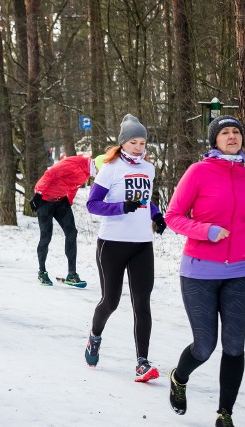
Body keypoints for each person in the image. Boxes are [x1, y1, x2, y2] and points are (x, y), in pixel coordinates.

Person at [164, 116, 245, 426]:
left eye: (236, 131)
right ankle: (179, 377)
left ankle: (225, 414)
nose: (232, 136)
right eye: (224, 132)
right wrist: (206, 231)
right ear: (215, 140)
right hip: (199, 272)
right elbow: (173, 217)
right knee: (205, 346)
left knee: (235, 345)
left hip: (239, 271)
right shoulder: (198, 172)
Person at [84, 114, 166, 382]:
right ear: (122, 143)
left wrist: (155, 214)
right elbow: (93, 204)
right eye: (134, 142)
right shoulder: (111, 168)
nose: (139, 147)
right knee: (111, 301)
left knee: (142, 303)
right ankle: (94, 336)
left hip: (142, 243)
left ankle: (142, 362)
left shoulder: (149, 169)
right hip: (113, 243)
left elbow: (145, 200)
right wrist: (120, 207)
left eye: (142, 142)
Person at [31, 155, 95, 287]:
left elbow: (74, 186)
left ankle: (72, 274)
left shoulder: (87, 172)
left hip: (61, 201)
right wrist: (38, 194)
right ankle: (42, 272)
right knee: (46, 236)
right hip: (44, 200)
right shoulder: (74, 164)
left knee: (72, 232)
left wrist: (69, 202)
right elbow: (50, 173)